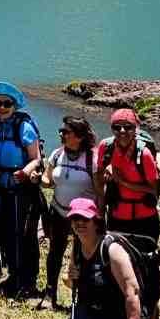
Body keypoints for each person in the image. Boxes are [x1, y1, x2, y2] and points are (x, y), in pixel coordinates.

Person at [59, 197, 150, 319]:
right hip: (92, 312)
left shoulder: (111, 249)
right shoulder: (77, 245)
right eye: (75, 219)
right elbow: (72, 284)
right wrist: (69, 278)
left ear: (96, 221)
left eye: (85, 219)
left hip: (117, 318)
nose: (79, 223)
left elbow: (132, 291)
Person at [0, 81, 43, 298]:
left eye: (7, 103)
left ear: (14, 105)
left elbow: (36, 158)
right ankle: (6, 273)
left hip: (19, 187)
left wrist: (25, 171)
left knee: (19, 233)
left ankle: (23, 278)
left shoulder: (23, 126)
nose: (2, 107)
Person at [43, 115, 100, 308]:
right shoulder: (58, 154)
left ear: (80, 136)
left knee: (82, 255)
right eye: (61, 131)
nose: (61, 135)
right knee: (55, 253)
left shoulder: (92, 157)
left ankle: (81, 296)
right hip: (58, 211)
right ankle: (50, 293)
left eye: (66, 132)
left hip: (83, 218)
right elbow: (48, 178)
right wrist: (39, 179)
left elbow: (100, 191)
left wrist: (99, 218)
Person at [98, 107, 160, 242]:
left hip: (144, 219)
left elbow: (153, 190)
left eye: (128, 127)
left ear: (135, 129)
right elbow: (99, 180)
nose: (122, 131)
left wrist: (121, 181)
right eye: (117, 127)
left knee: (143, 261)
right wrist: (100, 211)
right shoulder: (106, 147)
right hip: (116, 216)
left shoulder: (144, 154)